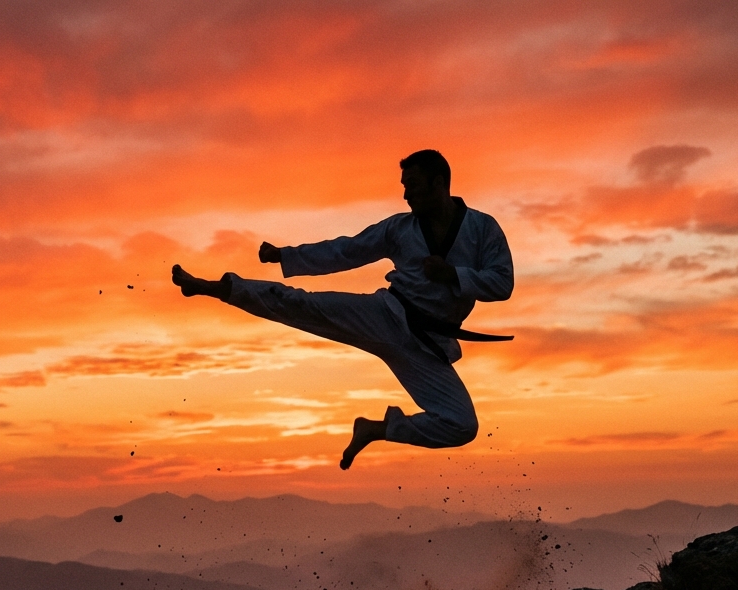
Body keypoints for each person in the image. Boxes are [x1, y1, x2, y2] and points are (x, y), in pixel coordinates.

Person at [172, 149, 514, 469]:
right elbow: (347, 251)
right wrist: (286, 255)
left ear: (438, 183)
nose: (406, 195)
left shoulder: (482, 229)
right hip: (385, 316)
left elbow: (502, 283)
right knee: (302, 304)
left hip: (428, 346)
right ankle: (214, 287)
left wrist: (453, 274)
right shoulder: (399, 228)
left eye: (412, 185)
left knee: (462, 425)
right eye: (404, 187)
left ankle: (376, 429)